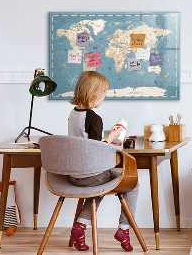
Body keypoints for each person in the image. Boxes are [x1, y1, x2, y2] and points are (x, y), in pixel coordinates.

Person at [68, 71, 138, 252]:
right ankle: (124, 229)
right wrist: (113, 137)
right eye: (103, 94)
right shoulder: (94, 118)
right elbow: (96, 150)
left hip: (74, 175)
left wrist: (107, 139)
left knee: (98, 186)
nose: (103, 98)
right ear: (94, 94)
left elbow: (85, 143)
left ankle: (80, 227)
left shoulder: (73, 114)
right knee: (133, 183)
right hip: (91, 175)